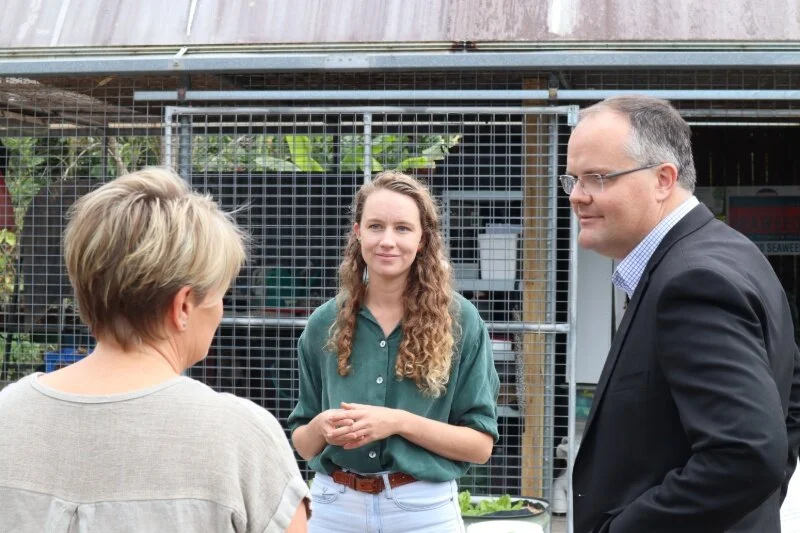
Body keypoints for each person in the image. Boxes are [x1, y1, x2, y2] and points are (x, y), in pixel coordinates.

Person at [0, 168, 310, 532]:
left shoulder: (9, 412)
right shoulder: (242, 438)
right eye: (220, 296)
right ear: (182, 307)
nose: (221, 310)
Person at [565, 95, 800, 532]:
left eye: (597, 178)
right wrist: (755, 510)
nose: (578, 197)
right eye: (573, 179)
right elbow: (790, 397)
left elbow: (748, 453)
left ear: (662, 179)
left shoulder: (691, 281)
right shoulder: (732, 252)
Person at [287, 170, 499, 532]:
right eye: (375, 226)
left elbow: (479, 446)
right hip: (334, 507)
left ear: (422, 239)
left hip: (422, 510)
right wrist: (321, 426)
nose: (388, 241)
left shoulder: (460, 321)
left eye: (402, 228)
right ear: (357, 233)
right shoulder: (324, 323)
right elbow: (304, 445)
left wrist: (397, 422)